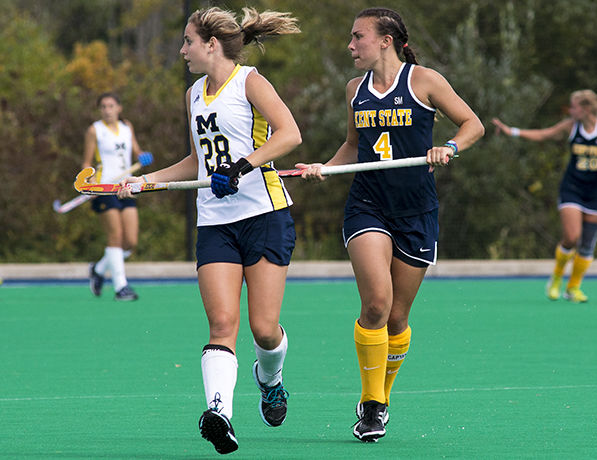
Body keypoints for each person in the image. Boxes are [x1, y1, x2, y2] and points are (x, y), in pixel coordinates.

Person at [296, 7, 484, 443]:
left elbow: (472, 124)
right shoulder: (353, 90)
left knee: (398, 319)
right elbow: (353, 144)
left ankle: (382, 395)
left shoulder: (424, 81)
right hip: (367, 205)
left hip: (417, 211)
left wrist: (449, 148)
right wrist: (325, 167)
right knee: (377, 304)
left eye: (357, 37)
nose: (350, 45)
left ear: (386, 40)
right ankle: (372, 405)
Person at [118, 6, 300, 455]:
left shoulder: (250, 82)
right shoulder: (193, 94)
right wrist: (148, 180)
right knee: (222, 323)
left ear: (211, 45)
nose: (182, 50)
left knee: (263, 330)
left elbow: (289, 133)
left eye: (188, 42)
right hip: (216, 223)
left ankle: (271, 379)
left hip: (264, 215)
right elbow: (197, 161)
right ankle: (220, 413)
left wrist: (243, 166)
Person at [492, 89, 597, 303]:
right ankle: (556, 279)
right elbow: (543, 134)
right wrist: (510, 131)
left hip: (595, 192)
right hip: (572, 189)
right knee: (571, 237)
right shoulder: (571, 126)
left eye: (575, 106)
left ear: (586, 108)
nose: (571, 110)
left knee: (587, 244)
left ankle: (573, 288)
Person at [83, 92, 153, 301]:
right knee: (115, 236)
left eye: (111, 106)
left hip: (126, 186)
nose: (107, 110)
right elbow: (86, 163)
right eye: (103, 106)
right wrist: (90, 184)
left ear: (119, 108)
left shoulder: (126, 127)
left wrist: (143, 157)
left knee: (130, 241)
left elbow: (137, 152)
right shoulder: (94, 130)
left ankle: (98, 269)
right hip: (105, 187)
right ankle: (120, 287)